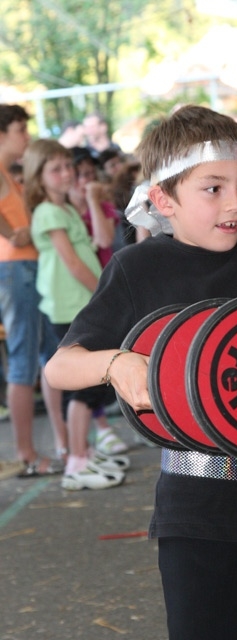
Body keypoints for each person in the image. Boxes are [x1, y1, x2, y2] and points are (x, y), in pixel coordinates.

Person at [45, 105, 237, 640]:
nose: (236, 203)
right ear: (164, 199)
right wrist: (116, 362)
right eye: (214, 188)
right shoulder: (136, 268)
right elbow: (60, 367)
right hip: (195, 515)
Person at [24, 138, 128, 489]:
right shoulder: (48, 212)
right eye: (56, 169)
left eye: (68, 165)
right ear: (38, 177)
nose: (67, 173)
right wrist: (104, 295)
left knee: (90, 386)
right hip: (69, 307)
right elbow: (71, 262)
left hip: (78, 304)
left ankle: (83, 451)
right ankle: (76, 462)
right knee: (82, 388)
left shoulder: (66, 208)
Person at [0, 104, 67, 475]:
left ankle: (55, 446)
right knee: (24, 361)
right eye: (20, 130)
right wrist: (13, 234)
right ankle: (26, 454)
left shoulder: (11, 176)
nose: (26, 137)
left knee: (41, 357)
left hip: (25, 268)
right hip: (15, 268)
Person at [68, 146, 128, 454]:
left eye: (91, 175)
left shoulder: (101, 206)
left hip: (103, 287)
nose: (86, 182)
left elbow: (104, 238)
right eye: (80, 176)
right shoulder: (64, 214)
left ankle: (101, 429)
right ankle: (87, 441)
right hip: (80, 295)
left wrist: (92, 201)